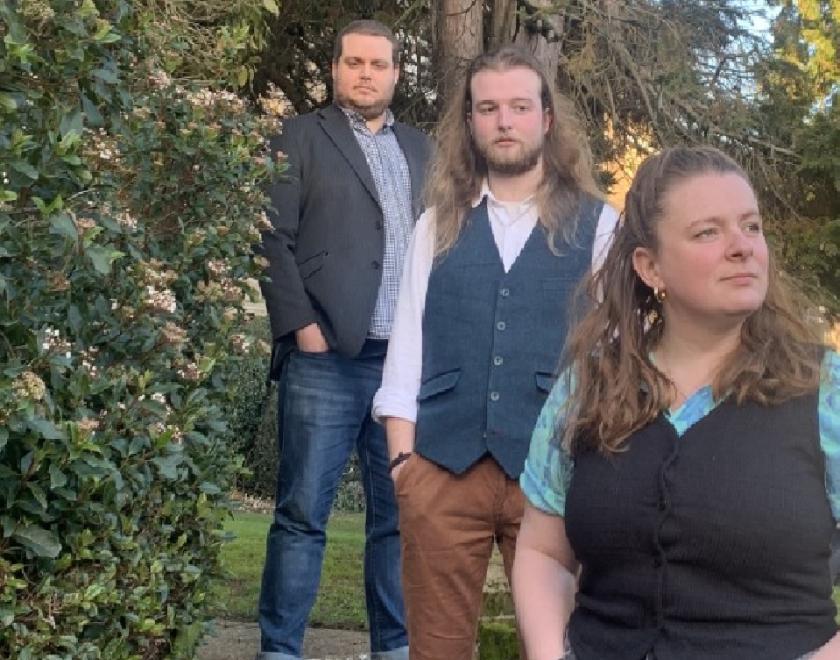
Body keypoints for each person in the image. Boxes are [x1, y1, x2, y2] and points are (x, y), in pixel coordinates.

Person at [513, 145, 840, 660]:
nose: (742, 247)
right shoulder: (589, 387)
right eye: (708, 232)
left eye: (751, 226)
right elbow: (543, 552)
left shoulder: (824, 389)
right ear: (651, 267)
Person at [372, 45, 619, 659]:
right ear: (470, 121)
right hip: (441, 469)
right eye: (488, 109)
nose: (504, 121)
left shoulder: (600, 225)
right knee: (436, 649)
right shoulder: (436, 224)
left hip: (554, 478)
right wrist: (404, 466)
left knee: (559, 646)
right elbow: (406, 349)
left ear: (546, 118)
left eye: (518, 106)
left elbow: (617, 358)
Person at [256, 18, 431, 660]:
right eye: (354, 62)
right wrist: (302, 328)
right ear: (335, 69)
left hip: (402, 368)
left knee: (398, 520)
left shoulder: (423, 150)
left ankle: (394, 649)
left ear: (395, 74)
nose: (365, 74)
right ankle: (280, 650)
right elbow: (269, 236)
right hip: (325, 357)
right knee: (302, 515)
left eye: (378, 64)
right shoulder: (299, 137)